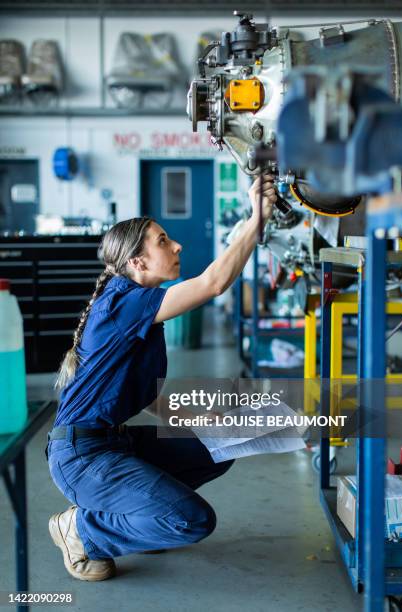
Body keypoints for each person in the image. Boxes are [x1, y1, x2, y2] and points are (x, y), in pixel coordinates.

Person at [46, 174, 277, 581]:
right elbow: (213, 282)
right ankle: (83, 530)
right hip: (83, 458)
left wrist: (200, 422)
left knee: (225, 441)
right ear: (137, 262)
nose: (176, 245)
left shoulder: (138, 309)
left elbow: (147, 395)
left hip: (115, 444)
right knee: (192, 521)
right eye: (163, 241)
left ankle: (139, 513)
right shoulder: (122, 303)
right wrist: (255, 220)